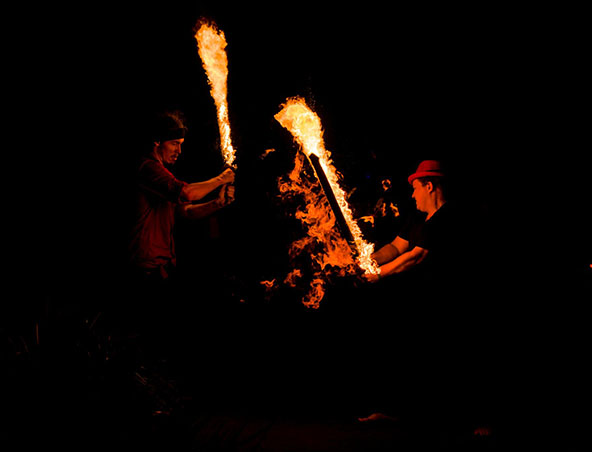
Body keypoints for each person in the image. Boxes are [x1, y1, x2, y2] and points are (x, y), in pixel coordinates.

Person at [365, 160, 456, 286]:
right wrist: (367, 261)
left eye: (415, 188)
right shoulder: (417, 217)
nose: (413, 195)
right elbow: (395, 247)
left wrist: (378, 273)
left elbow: (416, 256)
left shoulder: (448, 217)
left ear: (429, 186)